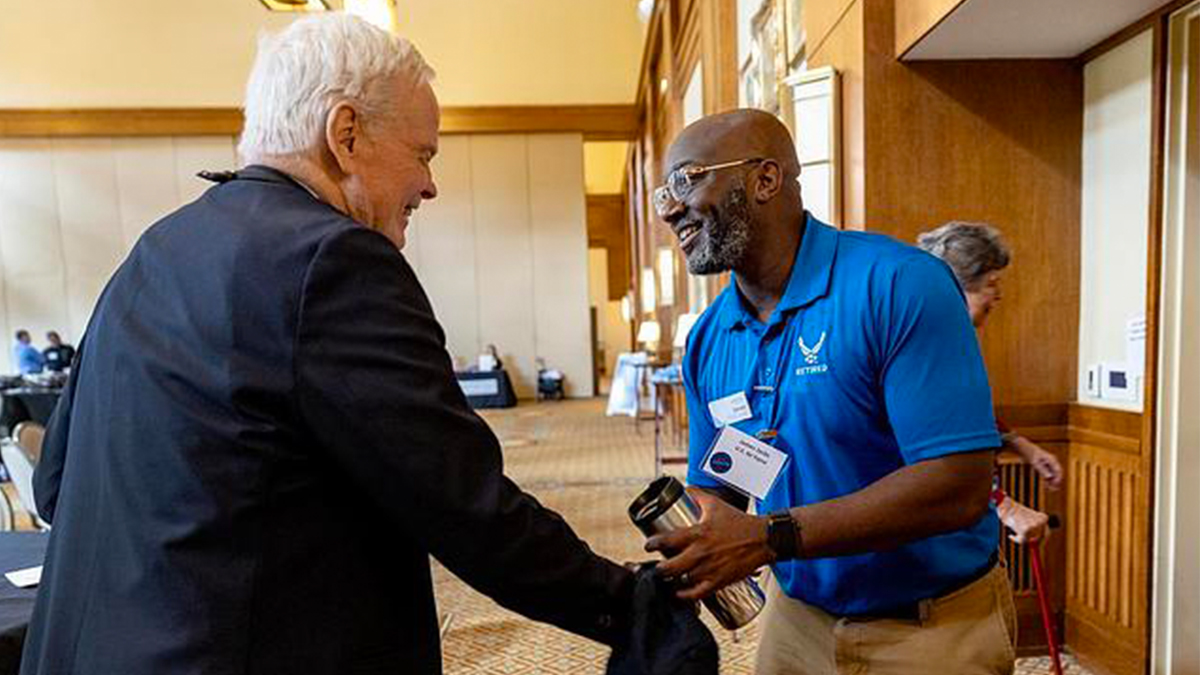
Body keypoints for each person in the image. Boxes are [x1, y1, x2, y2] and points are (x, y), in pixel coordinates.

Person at [20, 15, 635, 675]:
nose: (430, 185)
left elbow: (55, 483)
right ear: (346, 134)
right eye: (424, 153)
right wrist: (628, 606)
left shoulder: (152, 250)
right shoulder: (334, 261)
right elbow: (464, 502)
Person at [646, 110, 1016, 675]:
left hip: (929, 628)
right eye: (662, 193)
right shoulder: (709, 337)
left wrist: (772, 538)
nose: (671, 208)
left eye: (687, 179)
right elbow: (722, 484)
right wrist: (687, 549)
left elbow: (958, 486)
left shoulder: (898, 284)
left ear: (764, 180)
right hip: (797, 621)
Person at [917, 221, 1064, 544]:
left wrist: (1019, 444)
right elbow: (936, 445)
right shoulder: (926, 346)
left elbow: (968, 415)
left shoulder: (951, 340)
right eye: (991, 283)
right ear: (956, 286)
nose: (998, 295)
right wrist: (1006, 506)